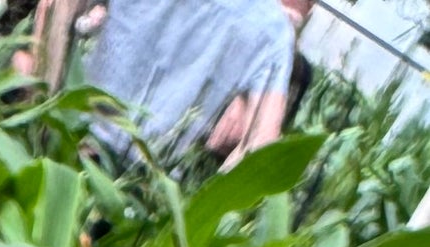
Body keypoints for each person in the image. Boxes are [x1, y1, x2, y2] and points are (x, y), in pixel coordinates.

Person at [20, 0, 314, 167]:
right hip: (141, 193)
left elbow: (56, 8)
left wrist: (41, 117)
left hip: (65, 135)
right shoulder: (271, 30)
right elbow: (259, 149)